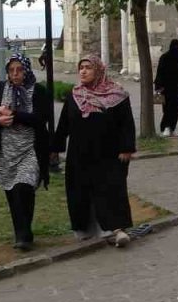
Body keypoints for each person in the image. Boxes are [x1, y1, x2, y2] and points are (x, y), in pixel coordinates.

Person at [53, 55, 136, 248]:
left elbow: (126, 124)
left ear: (98, 70)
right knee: (79, 190)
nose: (83, 71)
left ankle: (116, 229)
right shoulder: (75, 95)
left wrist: (127, 148)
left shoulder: (117, 95)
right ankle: (85, 229)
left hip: (108, 153)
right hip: (79, 154)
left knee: (110, 189)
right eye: (81, 67)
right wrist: (55, 148)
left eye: (88, 68)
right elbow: (64, 124)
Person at [0, 54, 52, 251]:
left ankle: (25, 233)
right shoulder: (0, 89)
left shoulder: (38, 91)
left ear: (27, 70)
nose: (15, 74)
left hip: (30, 150)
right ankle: (21, 233)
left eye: (19, 69)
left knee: (24, 188)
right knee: (13, 194)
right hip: (7, 152)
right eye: (11, 70)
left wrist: (13, 115)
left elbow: (41, 118)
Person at [154, 38, 178, 137]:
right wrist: (158, 87)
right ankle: (165, 128)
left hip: (177, 88)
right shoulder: (164, 57)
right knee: (167, 108)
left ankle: (172, 127)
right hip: (166, 88)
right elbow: (160, 73)